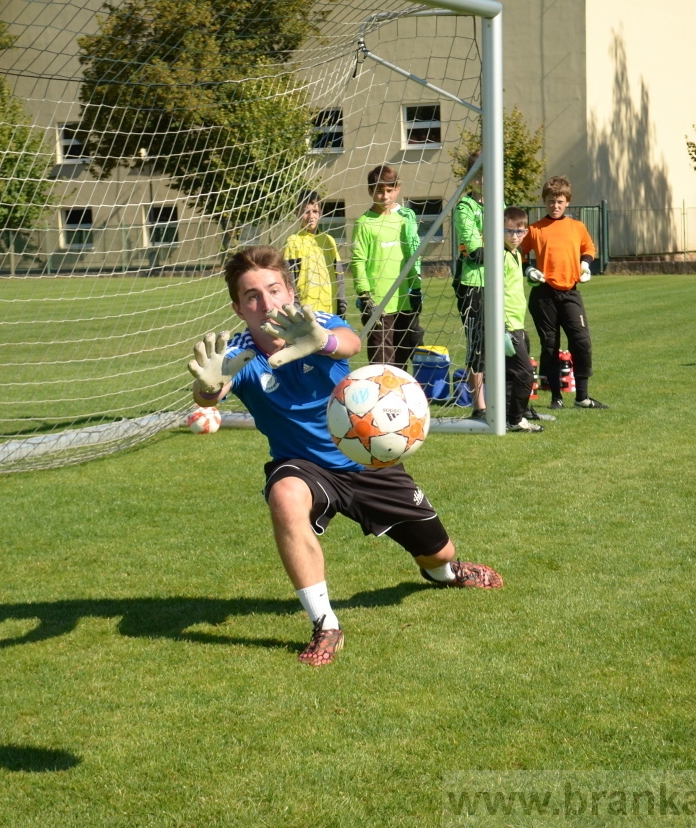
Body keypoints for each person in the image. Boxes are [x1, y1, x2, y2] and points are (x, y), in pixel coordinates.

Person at [188, 246, 503, 667]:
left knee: (439, 553)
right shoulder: (240, 354)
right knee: (284, 496)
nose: (266, 304)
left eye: (274, 289)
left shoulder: (315, 323)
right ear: (239, 308)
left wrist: (324, 342)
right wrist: (209, 389)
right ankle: (325, 624)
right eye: (252, 297)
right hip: (303, 466)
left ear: (290, 292)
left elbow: (350, 343)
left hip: (365, 457)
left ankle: (445, 574)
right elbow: (213, 389)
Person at [521, 175, 608, 409]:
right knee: (550, 344)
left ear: (567, 201)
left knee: (581, 341)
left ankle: (582, 397)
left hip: (570, 292)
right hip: (543, 295)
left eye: (559, 201)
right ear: (544, 201)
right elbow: (517, 253)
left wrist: (586, 264)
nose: (555, 206)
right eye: (551, 201)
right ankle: (556, 397)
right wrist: (528, 269)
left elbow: (589, 248)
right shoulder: (535, 229)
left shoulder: (577, 227)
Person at [351, 165, 423, 370]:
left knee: (403, 355)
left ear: (397, 190)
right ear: (370, 191)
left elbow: (412, 255)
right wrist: (364, 296)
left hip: (404, 300)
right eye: (379, 191)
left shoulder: (404, 220)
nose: (384, 196)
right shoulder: (363, 223)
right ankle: (381, 399)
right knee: (382, 358)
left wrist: (416, 287)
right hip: (378, 303)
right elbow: (357, 261)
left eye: (389, 191)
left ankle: (399, 400)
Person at [501, 207, 546, 432]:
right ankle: (517, 418)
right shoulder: (499, 255)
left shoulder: (516, 254)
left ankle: (510, 418)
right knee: (525, 373)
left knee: (512, 375)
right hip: (507, 325)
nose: (515, 237)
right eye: (509, 231)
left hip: (518, 323)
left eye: (519, 232)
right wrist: (501, 326)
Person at [453, 150, 490, 419]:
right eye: (478, 172)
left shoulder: (500, 207)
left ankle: (509, 401)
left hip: (500, 284)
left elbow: (514, 244)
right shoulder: (464, 208)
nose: (483, 177)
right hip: (472, 285)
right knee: (477, 344)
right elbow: (476, 253)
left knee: (509, 342)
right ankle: (480, 407)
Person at [282, 191, 347, 318]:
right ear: (297, 213)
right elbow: (290, 280)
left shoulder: (329, 240)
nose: (311, 216)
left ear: (320, 213)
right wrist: (295, 308)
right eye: (306, 212)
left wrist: (342, 303)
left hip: (330, 311)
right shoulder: (293, 241)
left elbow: (338, 274)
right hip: (306, 313)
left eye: (315, 211)